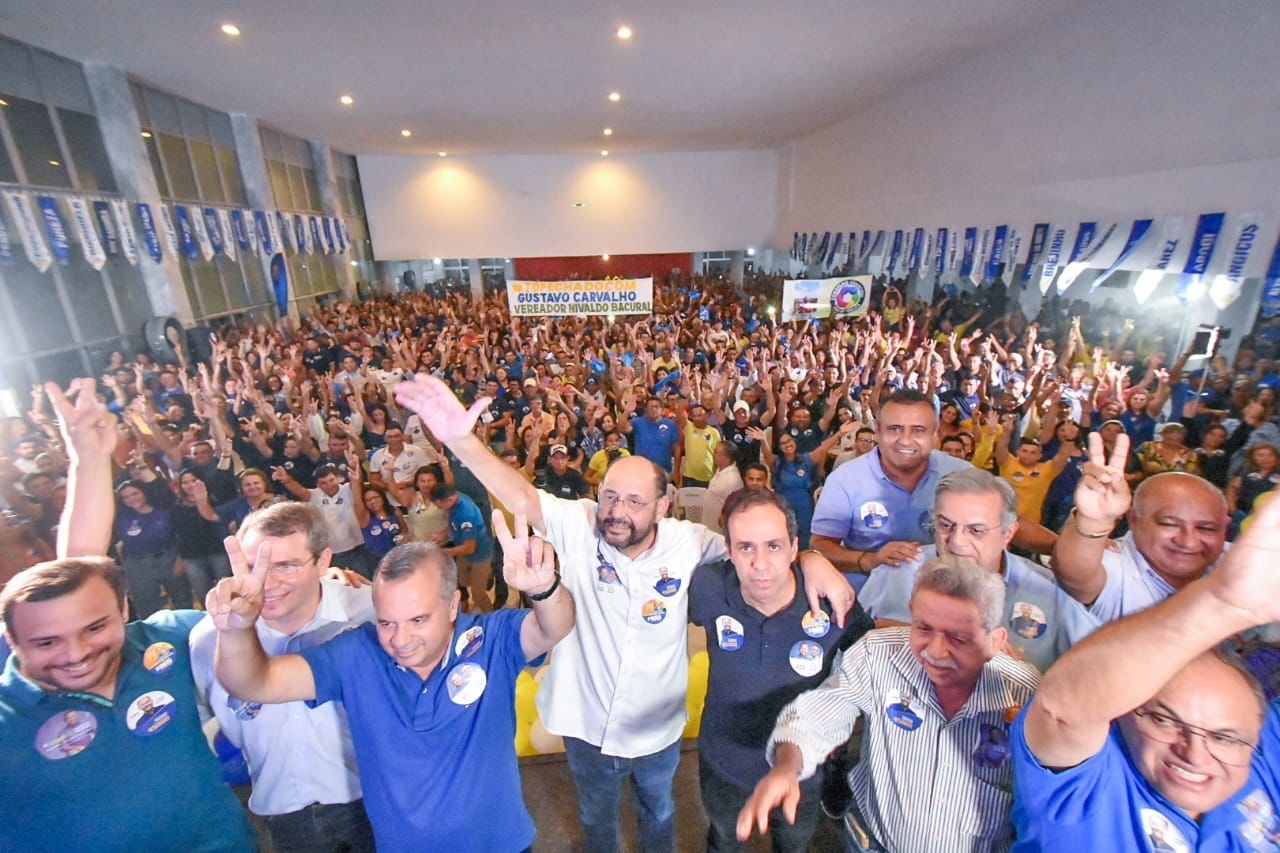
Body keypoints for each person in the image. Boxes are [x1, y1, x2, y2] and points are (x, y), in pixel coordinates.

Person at [392, 374, 854, 853]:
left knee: (659, 812)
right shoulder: (578, 525)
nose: (616, 511)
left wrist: (810, 559)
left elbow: (758, 551)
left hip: (656, 731)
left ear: (663, 504)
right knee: (596, 817)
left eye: (634, 501)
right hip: (584, 725)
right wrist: (459, 440)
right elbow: (522, 497)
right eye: (610, 496)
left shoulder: (691, 544)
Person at [206, 518, 575, 852]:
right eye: (387, 623)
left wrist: (544, 590)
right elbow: (257, 682)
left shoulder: (490, 640)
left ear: (452, 606)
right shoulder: (355, 653)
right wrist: (236, 631)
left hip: (501, 846)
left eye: (418, 619)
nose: (401, 639)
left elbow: (552, 626)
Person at [0, 380, 254, 851]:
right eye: (46, 643)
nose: (77, 653)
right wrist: (88, 462)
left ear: (124, 608)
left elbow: (81, 573)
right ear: (10, 641)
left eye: (96, 627)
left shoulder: (167, 642)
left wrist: (333, 588)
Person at [1011, 494, 1280, 851]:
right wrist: (1224, 604)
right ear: (1121, 713)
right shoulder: (1088, 791)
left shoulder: (1263, 762)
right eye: (1164, 721)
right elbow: (1063, 706)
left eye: (1224, 738)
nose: (1195, 755)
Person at [737, 555, 1039, 852]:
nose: (935, 651)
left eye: (958, 639)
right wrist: (787, 767)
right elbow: (816, 717)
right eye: (923, 628)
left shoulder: (1027, 696)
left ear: (994, 641)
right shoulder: (876, 656)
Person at [689, 490, 875, 851]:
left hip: (803, 770)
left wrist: (843, 725)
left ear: (793, 548)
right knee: (725, 839)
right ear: (729, 549)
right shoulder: (708, 586)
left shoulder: (834, 604)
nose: (760, 563)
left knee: (793, 845)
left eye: (773, 546)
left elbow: (870, 668)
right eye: (745, 547)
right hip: (724, 761)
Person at [190, 502, 376, 852]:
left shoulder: (371, 614)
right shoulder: (208, 638)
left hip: (373, 800)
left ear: (323, 561)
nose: (266, 582)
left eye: (287, 565)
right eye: (252, 566)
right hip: (282, 814)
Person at [859, 467, 1098, 673]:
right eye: (945, 525)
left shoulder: (1047, 592)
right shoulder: (896, 571)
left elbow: (1100, 669)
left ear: (1008, 533)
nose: (956, 543)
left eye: (976, 530)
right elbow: (847, 648)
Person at [1051, 433, 1230, 622]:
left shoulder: (1242, 562)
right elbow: (1075, 575)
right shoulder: (1118, 566)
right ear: (1134, 520)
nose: (1189, 541)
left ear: (1225, 527)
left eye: (1207, 529)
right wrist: (1092, 522)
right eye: (1169, 524)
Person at [810, 389, 969, 583]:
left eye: (918, 430)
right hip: (867, 599)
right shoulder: (845, 479)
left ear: (935, 434)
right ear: (877, 431)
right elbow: (820, 546)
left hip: (945, 594)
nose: (905, 440)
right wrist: (869, 560)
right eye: (895, 429)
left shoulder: (963, 475)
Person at [275, 463, 378, 579]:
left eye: (331, 480)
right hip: (331, 555)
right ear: (318, 485)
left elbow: (356, 482)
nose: (329, 485)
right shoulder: (315, 495)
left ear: (338, 478)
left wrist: (354, 468)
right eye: (323, 483)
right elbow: (300, 491)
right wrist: (286, 480)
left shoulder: (348, 489)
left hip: (356, 551)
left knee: (364, 583)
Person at [429, 482, 495, 612]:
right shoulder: (457, 496)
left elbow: (470, 547)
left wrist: (442, 552)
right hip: (464, 551)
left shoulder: (466, 514)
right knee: (460, 579)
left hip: (480, 555)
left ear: (449, 500)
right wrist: (442, 535)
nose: (438, 508)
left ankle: (492, 617)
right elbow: (453, 523)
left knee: (478, 595)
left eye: (439, 504)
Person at [703, 441, 743, 535]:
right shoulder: (719, 471)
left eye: (716, 452)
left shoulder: (732, 479)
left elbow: (733, 507)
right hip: (709, 524)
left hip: (720, 531)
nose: (713, 454)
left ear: (727, 457)